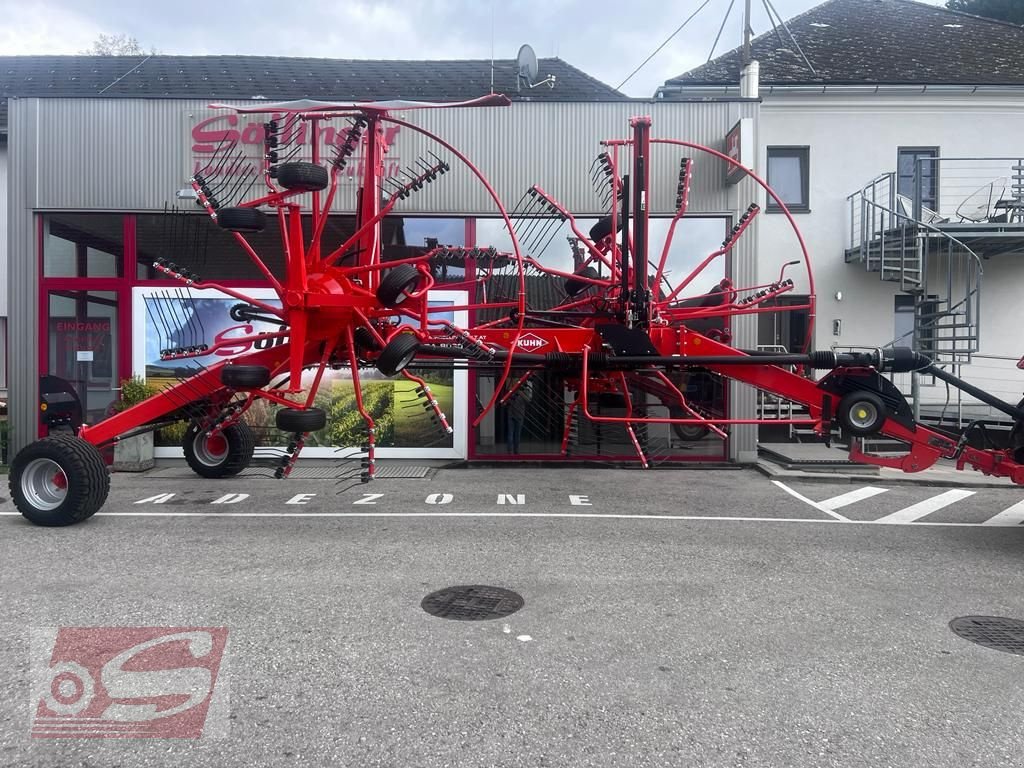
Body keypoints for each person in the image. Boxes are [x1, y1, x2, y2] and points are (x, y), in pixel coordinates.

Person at [505, 377, 533, 454]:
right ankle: (510, 451)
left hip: (519, 415)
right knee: (511, 433)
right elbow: (505, 402)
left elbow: (528, 400)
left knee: (517, 434)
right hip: (511, 414)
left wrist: (521, 393)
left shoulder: (524, 391)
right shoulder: (511, 392)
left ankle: (515, 451)